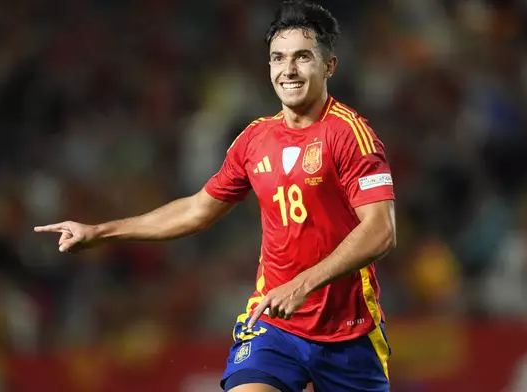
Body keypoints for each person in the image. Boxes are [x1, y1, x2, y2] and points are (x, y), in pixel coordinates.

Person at [35, 1, 396, 391]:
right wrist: (99, 232)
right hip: (274, 325)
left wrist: (303, 283)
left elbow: (381, 231)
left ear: (329, 66)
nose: (288, 70)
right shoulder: (254, 140)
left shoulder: (349, 135)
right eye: (277, 58)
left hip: (349, 335)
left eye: (302, 57)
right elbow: (197, 210)